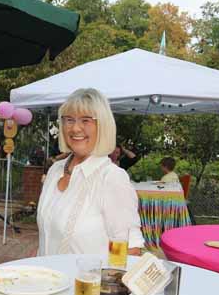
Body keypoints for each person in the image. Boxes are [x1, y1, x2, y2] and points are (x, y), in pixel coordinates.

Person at [34, 88, 144, 257]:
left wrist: (106, 274)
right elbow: (49, 234)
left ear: (103, 126)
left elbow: (128, 250)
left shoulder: (111, 178)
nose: (75, 128)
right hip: (47, 274)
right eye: (69, 120)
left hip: (88, 275)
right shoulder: (55, 170)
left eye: (86, 120)